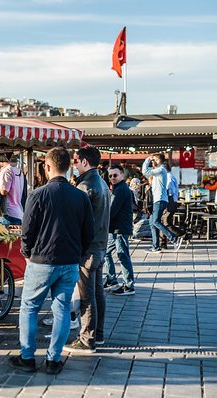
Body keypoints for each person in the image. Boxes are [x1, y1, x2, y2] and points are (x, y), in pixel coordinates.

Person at [9, 147, 94, 375]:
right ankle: (54, 359)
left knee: (29, 307)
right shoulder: (81, 196)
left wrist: (27, 254)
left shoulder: (37, 195)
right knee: (62, 309)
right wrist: (78, 254)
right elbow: (89, 233)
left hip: (41, 261)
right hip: (69, 262)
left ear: (47, 167)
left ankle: (27, 357)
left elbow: (27, 232)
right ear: (68, 167)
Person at [68, 145, 110, 353]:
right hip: (100, 244)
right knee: (97, 292)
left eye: (76, 161)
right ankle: (98, 334)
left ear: (84, 162)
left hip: (88, 248)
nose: (74, 166)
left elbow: (77, 219)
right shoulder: (101, 181)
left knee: (87, 295)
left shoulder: (86, 185)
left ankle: (87, 339)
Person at [104, 165, 135, 296]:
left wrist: (101, 223)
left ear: (122, 175)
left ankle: (129, 285)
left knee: (123, 255)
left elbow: (112, 210)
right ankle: (111, 279)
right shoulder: (118, 188)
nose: (112, 178)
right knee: (105, 252)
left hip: (120, 228)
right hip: (115, 228)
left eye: (115, 175)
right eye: (110, 176)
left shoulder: (121, 190)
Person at [142, 154, 181, 252]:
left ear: (159, 161)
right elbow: (147, 174)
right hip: (157, 200)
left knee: (156, 221)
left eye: (154, 160)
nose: (152, 161)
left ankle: (173, 238)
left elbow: (145, 171)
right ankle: (156, 246)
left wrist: (147, 159)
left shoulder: (161, 170)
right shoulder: (157, 172)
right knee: (152, 223)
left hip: (160, 200)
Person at [0, 154, 26, 226]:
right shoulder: (18, 171)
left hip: (8, 215)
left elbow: (4, 191)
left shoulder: (7, 171)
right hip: (17, 212)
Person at [162, 163, 186, 243]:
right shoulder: (170, 176)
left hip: (170, 201)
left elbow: (170, 190)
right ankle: (164, 241)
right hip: (172, 201)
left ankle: (182, 234)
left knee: (166, 222)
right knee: (164, 221)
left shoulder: (168, 177)